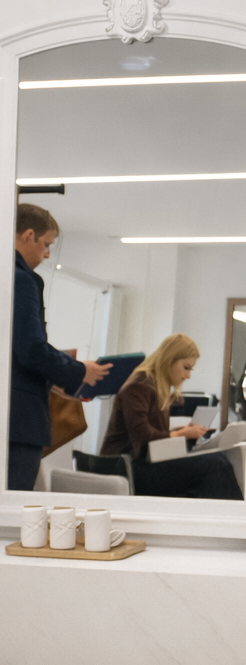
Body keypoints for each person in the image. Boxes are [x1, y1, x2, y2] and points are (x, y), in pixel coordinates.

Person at [9, 203, 110, 491]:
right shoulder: (21, 280)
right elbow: (31, 350)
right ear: (29, 235)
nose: (47, 253)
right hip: (18, 422)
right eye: (46, 244)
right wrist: (79, 371)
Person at [100, 333, 242, 500]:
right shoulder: (139, 385)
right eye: (186, 367)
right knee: (217, 465)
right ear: (169, 360)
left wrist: (183, 432)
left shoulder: (155, 386)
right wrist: (181, 434)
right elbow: (142, 435)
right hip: (125, 468)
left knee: (217, 462)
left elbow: (152, 435)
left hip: (140, 464)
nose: (188, 375)